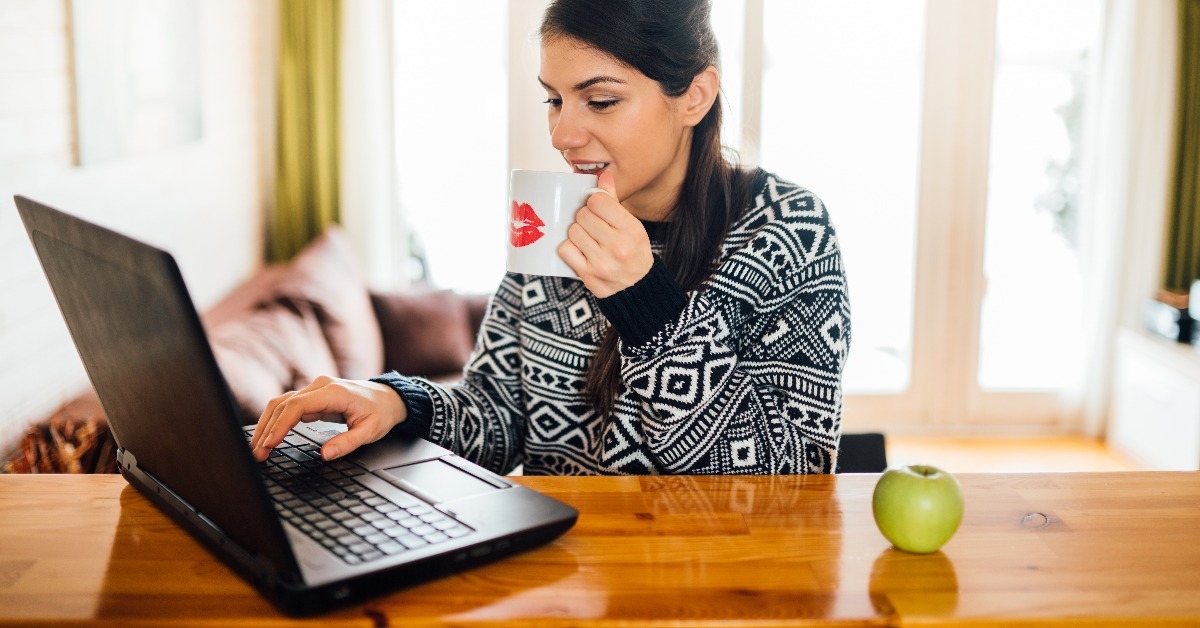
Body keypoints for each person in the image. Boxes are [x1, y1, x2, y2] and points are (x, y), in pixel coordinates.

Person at [251, 0, 851, 475]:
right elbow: (497, 415)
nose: (563, 134)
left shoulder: (787, 230)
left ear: (694, 95)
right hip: (566, 576)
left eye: (601, 100)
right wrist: (402, 402)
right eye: (554, 99)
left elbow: (788, 477)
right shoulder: (552, 216)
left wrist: (649, 306)